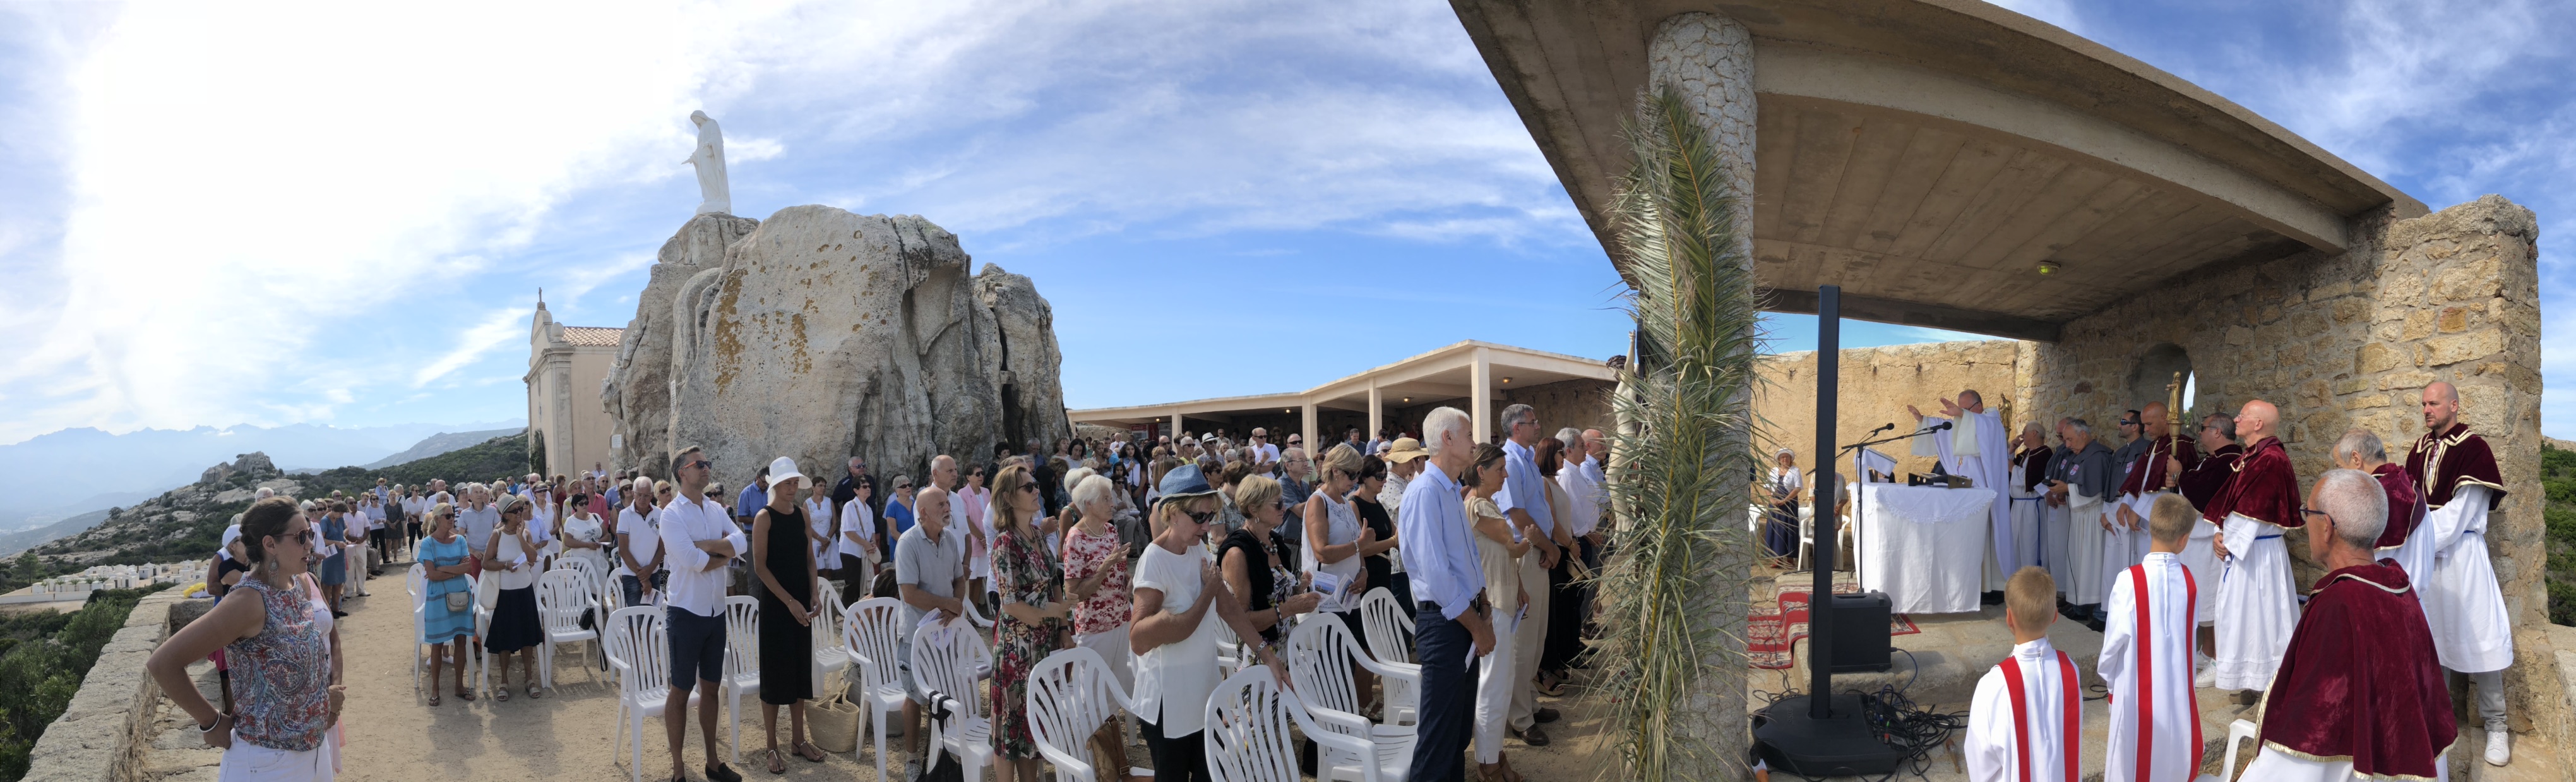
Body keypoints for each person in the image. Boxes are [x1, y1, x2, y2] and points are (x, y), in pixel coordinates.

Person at [2239, 469, 2455, 780]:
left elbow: (2314, 722)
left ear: (2326, 527)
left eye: (2307, 512)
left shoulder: (2339, 604)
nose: (2305, 521)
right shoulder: (2400, 587)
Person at [145, 496, 345, 782]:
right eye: (301, 536)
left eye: (310, 534)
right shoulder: (248, 600)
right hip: (268, 763)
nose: (310, 544)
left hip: (313, 751)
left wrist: (323, 698)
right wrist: (210, 721)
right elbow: (163, 663)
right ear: (270, 544)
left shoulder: (297, 584)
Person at [1130, 464, 1288, 782]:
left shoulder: (1196, 548)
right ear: (1173, 513)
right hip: (1168, 703)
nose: (1206, 526)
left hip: (1202, 694)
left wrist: (1267, 654)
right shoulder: (1154, 560)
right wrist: (1209, 592)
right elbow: (1138, 638)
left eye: (1210, 516)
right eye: (1199, 517)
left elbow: (1228, 607)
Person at [2405, 380, 2514, 766]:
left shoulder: (2474, 449)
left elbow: (2460, 514)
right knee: (2432, 636)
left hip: (2463, 558)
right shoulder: (2419, 449)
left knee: (2478, 635)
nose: (2426, 410)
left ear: (2454, 405)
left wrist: (2417, 541)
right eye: (2424, 404)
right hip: (2426, 561)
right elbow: (2407, 502)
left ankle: (2496, 725)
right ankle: (2439, 718)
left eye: (2434, 404)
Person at [1400, 407, 1500, 782]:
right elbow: (1437, 575)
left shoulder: (1448, 490)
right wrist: (1477, 626)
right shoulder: (1425, 492)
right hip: (1445, 625)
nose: (1475, 443)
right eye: (1469, 435)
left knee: (1457, 733)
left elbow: (1467, 557)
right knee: (1439, 739)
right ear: (1447, 439)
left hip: (1462, 618)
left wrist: (1484, 603)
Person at [2097, 494, 2203, 782]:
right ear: (2184, 540)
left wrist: (2111, 685)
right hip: (2177, 694)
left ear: (2151, 527)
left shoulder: (2128, 580)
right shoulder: (2189, 582)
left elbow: (2112, 646)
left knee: (2131, 764)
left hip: (2135, 694)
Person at [659, 447, 751, 782]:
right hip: (686, 613)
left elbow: (742, 542)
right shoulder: (671, 515)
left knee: (711, 689)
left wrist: (708, 545)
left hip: (715, 612)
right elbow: (693, 561)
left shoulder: (714, 509)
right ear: (682, 472)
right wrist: (724, 553)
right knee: (681, 692)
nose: (707, 468)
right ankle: (679, 770)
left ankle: (713, 763)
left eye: (708, 463)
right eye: (700, 464)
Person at [2202, 400, 2301, 697]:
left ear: (2258, 424)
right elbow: (2232, 502)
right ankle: (2249, 680)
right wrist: (2219, 532)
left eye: (2241, 416)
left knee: (2263, 617)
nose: (2236, 420)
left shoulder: (2271, 460)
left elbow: (2256, 510)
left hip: (2257, 555)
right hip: (2245, 549)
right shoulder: (2253, 456)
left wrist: (2228, 540)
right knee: (2244, 615)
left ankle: (2268, 683)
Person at [984, 464, 1070, 782]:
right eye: (1028, 487)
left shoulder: (1036, 533)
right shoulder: (1005, 543)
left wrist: (1063, 627)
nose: (1037, 491)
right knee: (1010, 730)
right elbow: (1011, 604)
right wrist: (1058, 611)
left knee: (1033, 727)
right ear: (1008, 497)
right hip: (1016, 649)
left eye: (1035, 485)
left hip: (1043, 643)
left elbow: (1054, 579)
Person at [1492, 404, 1565, 745]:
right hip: (1526, 554)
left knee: (1536, 636)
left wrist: (1550, 546)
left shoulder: (1527, 458)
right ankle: (1519, 717)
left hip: (1539, 552)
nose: (1538, 426)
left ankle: (1530, 704)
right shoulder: (1510, 460)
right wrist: (1550, 547)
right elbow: (1517, 515)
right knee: (1522, 641)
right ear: (1517, 427)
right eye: (1533, 422)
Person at [749, 457, 826, 771]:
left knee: (799, 670)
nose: (792, 487)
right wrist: (790, 601)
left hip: (800, 602)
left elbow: (809, 559)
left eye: (795, 482)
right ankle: (772, 745)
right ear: (775, 485)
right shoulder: (763, 518)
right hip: (776, 604)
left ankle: (798, 740)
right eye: (787, 483)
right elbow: (760, 567)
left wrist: (814, 593)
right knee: (773, 675)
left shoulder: (803, 515)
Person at [1965, 567, 2077, 782]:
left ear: (2009, 618)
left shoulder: (1993, 684)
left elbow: (1980, 761)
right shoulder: (2070, 671)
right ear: (2055, 616)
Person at [1464, 443, 1530, 782]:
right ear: (1481, 472)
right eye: (1499, 470)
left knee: (1502, 682)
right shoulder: (1478, 506)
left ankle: (1495, 752)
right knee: (1493, 684)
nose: (1505, 475)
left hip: (1503, 599)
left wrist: (1519, 584)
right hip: (1493, 604)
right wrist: (1528, 540)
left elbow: (1507, 554)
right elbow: (1512, 544)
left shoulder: (1485, 504)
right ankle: (1487, 762)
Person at [1911, 390, 2014, 578]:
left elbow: (1981, 427)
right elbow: (1946, 430)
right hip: (1965, 492)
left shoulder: (1992, 423)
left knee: (1987, 541)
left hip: (1985, 493)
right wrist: (1924, 420)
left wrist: (1961, 414)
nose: (1961, 414)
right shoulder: (1965, 424)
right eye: (1960, 409)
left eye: (1965, 409)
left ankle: (1992, 583)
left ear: (1979, 406)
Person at [2107, 402, 2195, 606]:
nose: (2145, 430)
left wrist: (2138, 510)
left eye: (2149, 424)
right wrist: (2127, 501)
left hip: (2163, 520)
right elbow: (2141, 478)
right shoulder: (2154, 446)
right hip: (2145, 519)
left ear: (2165, 418)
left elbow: (2169, 490)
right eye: (2144, 425)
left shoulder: (2180, 445)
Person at [1224, 474, 1320, 655]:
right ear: (1254, 509)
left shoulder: (1274, 541)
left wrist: (1299, 588)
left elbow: (1275, 598)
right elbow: (1242, 619)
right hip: (1261, 653)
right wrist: (1289, 609)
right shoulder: (1238, 553)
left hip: (1288, 646)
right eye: (1278, 504)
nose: (1284, 508)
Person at [2044, 419, 2116, 625]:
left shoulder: (2098, 456)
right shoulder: (2081, 454)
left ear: (2083, 435)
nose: (2067, 445)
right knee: (2078, 563)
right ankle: (2079, 606)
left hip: (2092, 518)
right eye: (2065, 440)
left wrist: (2067, 489)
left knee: (2094, 564)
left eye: (2070, 439)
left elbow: (2096, 492)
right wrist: (2064, 492)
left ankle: (2100, 613)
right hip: (2078, 517)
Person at [2333, 430, 2426, 586]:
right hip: (2412, 595)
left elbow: (2367, 565)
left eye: (2340, 467)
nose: (2340, 476)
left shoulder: (2375, 498)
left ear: (2356, 459)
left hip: (2387, 595)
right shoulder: (2408, 484)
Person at [480, 494, 545, 701]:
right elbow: (486, 563)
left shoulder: (525, 533)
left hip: (524, 590)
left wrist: (520, 538)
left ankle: (529, 679)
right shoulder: (497, 535)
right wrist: (505, 565)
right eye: (515, 510)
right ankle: (504, 681)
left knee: (528, 637)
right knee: (505, 640)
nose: (520, 513)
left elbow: (533, 557)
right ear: (505, 515)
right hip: (505, 594)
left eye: (521, 509)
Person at [416, 503, 476, 706]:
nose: (452, 519)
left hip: (460, 595)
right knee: (437, 644)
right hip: (438, 598)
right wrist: (454, 570)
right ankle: (435, 689)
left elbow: (468, 568)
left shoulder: (460, 540)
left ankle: (459, 686)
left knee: (461, 640)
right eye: (448, 516)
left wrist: (442, 568)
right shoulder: (428, 543)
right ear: (437, 519)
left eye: (453, 515)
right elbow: (432, 575)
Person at [2007, 423, 2053, 577]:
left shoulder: (2044, 453)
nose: (2022, 435)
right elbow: (2008, 469)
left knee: (2030, 545)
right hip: (2018, 506)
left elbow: (2033, 479)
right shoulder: (2027, 453)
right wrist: (2012, 450)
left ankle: (2033, 580)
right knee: (2016, 544)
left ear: (2034, 433)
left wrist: (2013, 469)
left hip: (2031, 507)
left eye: (2025, 432)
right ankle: (2018, 580)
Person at [618, 476, 665, 608]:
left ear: (652, 496)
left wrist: (650, 570)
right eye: (639, 495)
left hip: (653, 573)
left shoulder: (659, 513)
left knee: (654, 616)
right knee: (636, 617)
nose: (642, 499)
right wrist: (644, 578)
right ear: (633, 494)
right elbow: (623, 550)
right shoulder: (625, 515)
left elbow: (662, 547)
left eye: (646, 495)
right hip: (631, 575)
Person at [835, 477, 881, 601]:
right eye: (864, 487)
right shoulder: (849, 506)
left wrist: (872, 543)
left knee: (863, 584)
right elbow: (848, 531)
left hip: (864, 551)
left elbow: (872, 530)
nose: (868, 489)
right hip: (850, 551)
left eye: (869, 486)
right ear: (856, 490)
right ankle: (845, 611)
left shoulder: (869, 509)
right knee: (852, 584)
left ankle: (858, 610)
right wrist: (866, 544)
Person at [955, 460, 994, 611]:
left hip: (985, 541)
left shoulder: (986, 492)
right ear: (968, 477)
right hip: (973, 541)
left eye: (982, 473)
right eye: (977, 474)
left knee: (980, 577)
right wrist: (982, 537)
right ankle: (967, 613)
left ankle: (975, 611)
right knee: (970, 579)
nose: (981, 476)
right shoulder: (962, 494)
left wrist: (987, 537)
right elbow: (966, 519)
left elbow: (991, 515)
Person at [1760, 449, 1801, 567]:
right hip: (1775, 505)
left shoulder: (1795, 471)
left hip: (1789, 505)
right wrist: (1771, 499)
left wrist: (1785, 500)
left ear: (1791, 459)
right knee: (1776, 530)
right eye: (1783, 457)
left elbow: (1798, 488)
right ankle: (1777, 558)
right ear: (1779, 460)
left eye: (1787, 457)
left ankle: (1790, 559)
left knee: (1789, 529)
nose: (1785, 459)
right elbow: (1767, 487)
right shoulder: (1773, 471)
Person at [315, 500, 352, 617]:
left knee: (339, 582)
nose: (342, 515)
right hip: (329, 555)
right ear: (334, 511)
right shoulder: (325, 521)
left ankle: (336, 608)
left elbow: (343, 532)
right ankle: (328, 610)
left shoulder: (340, 519)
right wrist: (336, 542)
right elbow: (322, 540)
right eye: (340, 513)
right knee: (328, 583)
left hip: (339, 554)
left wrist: (344, 541)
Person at [560, 493, 611, 576]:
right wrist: (587, 545)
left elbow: (607, 535)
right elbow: (568, 542)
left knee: (599, 583)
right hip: (580, 564)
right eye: (581, 504)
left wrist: (598, 542)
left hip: (598, 561)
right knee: (582, 584)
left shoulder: (596, 517)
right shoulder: (570, 521)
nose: (584, 505)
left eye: (586, 503)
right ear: (575, 506)